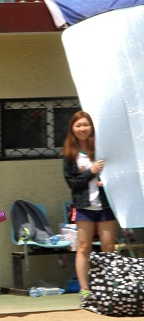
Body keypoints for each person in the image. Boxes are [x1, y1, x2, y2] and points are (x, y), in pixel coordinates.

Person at [62, 110, 117, 299]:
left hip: (106, 206)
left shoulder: (101, 149)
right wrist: (91, 172)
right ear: (72, 128)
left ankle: (109, 288)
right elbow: (72, 183)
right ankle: (85, 290)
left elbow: (116, 171)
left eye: (85, 124)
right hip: (84, 207)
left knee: (108, 246)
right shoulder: (70, 154)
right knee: (84, 246)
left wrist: (106, 181)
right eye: (78, 125)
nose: (82, 129)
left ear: (92, 127)